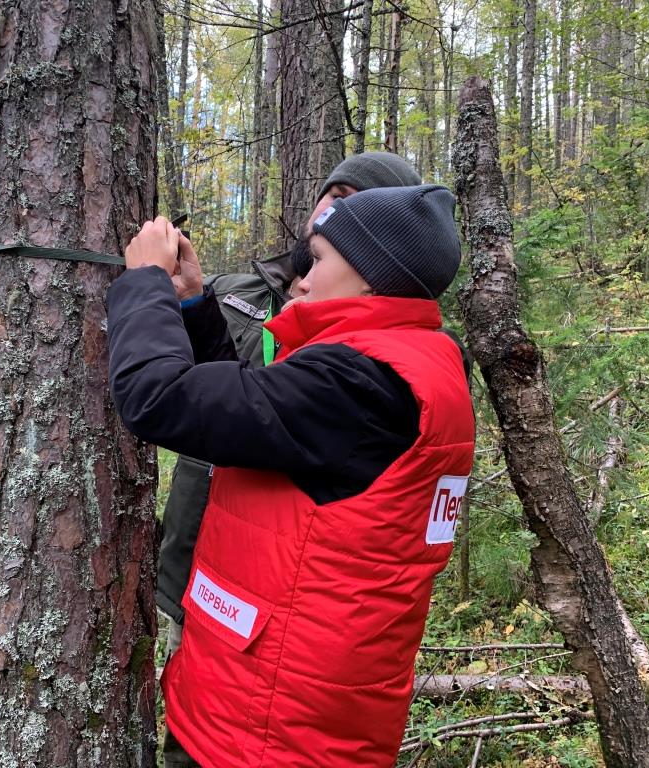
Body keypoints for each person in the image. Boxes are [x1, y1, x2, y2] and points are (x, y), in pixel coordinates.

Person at [107, 184, 475, 767]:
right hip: (273, 706)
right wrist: (193, 306)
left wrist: (144, 283)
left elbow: (157, 399)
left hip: (272, 730)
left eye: (320, 260)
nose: (300, 279)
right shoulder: (409, 365)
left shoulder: (365, 382)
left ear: (374, 276)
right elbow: (257, 427)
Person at [158, 152, 424, 664]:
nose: (334, 212)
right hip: (196, 565)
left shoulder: (368, 347)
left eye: (355, 206)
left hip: (280, 597)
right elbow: (225, 390)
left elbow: (210, 406)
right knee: (186, 715)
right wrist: (193, 301)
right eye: (334, 196)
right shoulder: (237, 291)